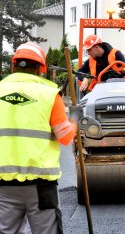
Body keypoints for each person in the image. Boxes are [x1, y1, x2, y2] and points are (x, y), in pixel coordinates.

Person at [0, 42, 81, 234]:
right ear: (40, 69)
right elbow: (64, 137)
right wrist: (75, 118)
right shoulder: (49, 94)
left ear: (13, 65)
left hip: (3, 184)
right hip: (41, 185)